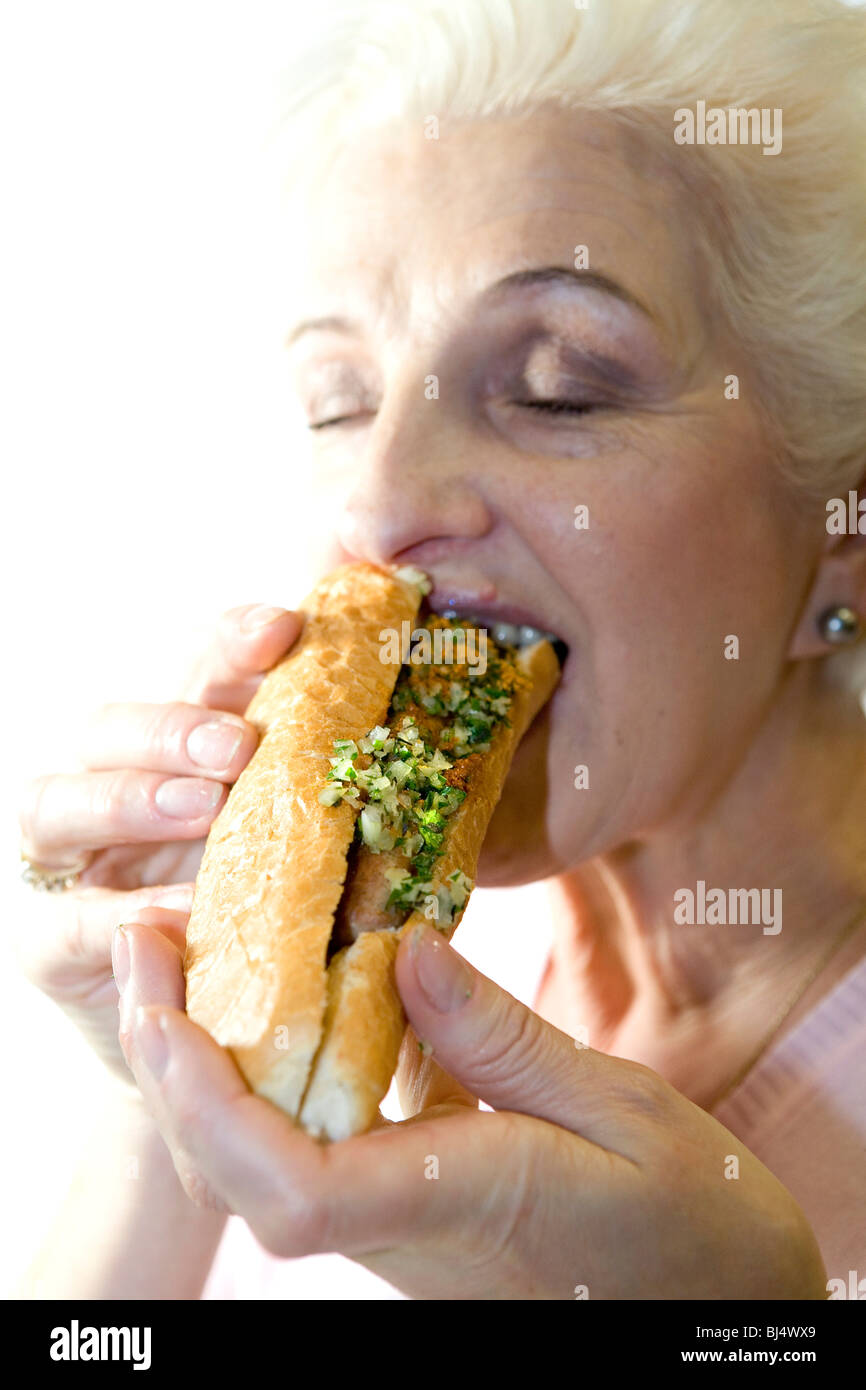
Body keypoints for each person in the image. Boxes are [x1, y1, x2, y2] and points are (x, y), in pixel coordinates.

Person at [14, 0, 866, 1300]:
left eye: (553, 386)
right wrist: (167, 1068)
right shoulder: (440, 950)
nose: (372, 505)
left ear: (841, 534)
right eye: (338, 403)